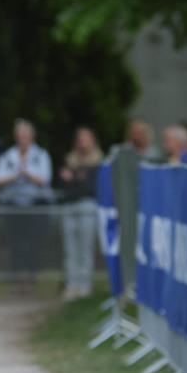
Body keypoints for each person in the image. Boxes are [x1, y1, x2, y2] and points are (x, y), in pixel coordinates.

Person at [0, 118, 53, 287]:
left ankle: (31, 279)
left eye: (26, 136)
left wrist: (26, 174)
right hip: (13, 207)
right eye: (20, 136)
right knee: (14, 243)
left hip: (35, 207)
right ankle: (16, 280)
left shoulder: (41, 155)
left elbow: (44, 179)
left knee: (34, 243)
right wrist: (15, 175)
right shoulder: (8, 156)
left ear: (32, 137)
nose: (23, 139)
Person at [58, 127, 103, 300]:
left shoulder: (98, 162)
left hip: (87, 207)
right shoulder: (70, 160)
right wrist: (77, 180)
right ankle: (72, 284)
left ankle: (84, 285)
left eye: (87, 138)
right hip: (70, 207)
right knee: (70, 249)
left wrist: (74, 179)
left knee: (85, 248)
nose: (83, 142)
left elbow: (90, 188)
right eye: (80, 138)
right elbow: (65, 187)